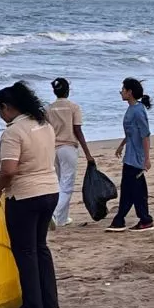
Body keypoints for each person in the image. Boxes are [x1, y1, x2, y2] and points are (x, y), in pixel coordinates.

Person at [0, 82, 61, 308]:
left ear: (7, 107)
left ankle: (32, 307)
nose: (1, 117)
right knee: (40, 247)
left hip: (25, 195)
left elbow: (9, 169)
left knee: (25, 252)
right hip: (51, 190)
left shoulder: (13, 132)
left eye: (0, 111)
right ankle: (50, 302)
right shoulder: (44, 125)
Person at [106, 78, 154, 233]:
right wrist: (122, 145)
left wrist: (147, 158)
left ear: (130, 92)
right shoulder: (131, 109)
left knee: (135, 190)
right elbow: (131, 132)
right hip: (130, 156)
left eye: (123, 89)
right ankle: (120, 219)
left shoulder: (138, 110)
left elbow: (145, 135)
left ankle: (144, 219)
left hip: (137, 158)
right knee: (129, 189)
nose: (121, 91)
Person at [46, 78, 95, 228]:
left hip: (52, 148)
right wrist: (87, 153)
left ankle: (62, 218)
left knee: (57, 183)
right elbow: (77, 130)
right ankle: (54, 214)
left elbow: (46, 129)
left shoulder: (48, 108)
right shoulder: (73, 107)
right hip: (68, 147)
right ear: (67, 91)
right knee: (66, 185)